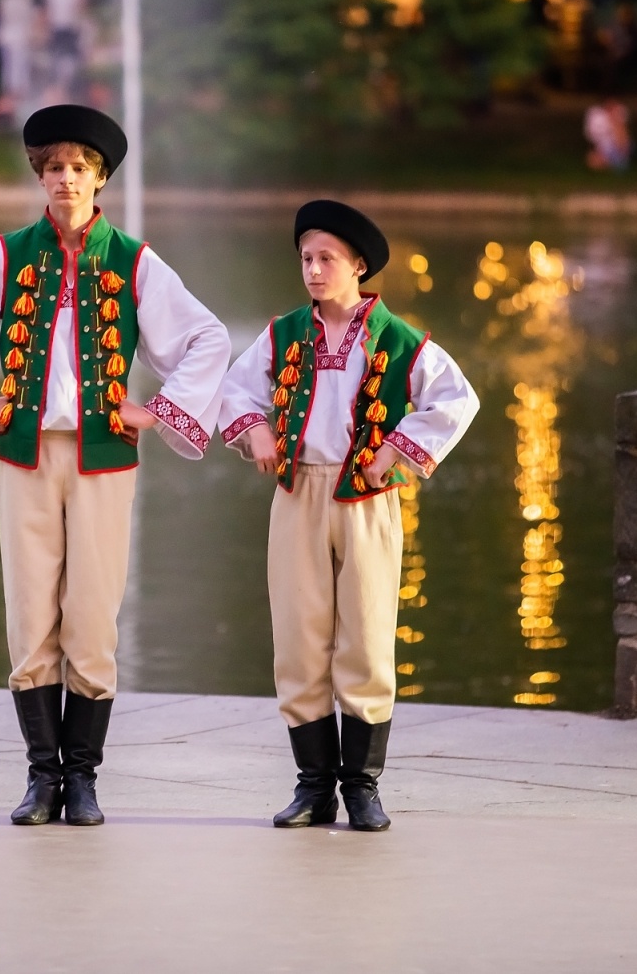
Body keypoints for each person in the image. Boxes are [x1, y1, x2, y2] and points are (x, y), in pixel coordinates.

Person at [0, 105, 231, 827]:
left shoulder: (134, 260)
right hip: (25, 455)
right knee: (30, 616)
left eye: (78, 168)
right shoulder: (11, 254)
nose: (65, 180)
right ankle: (40, 777)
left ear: (99, 178)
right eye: (53, 168)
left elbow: (206, 338)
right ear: (40, 177)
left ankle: (83, 779)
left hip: (102, 459)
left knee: (92, 617)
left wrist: (157, 410)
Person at [217, 200, 479, 832]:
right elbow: (235, 388)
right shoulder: (283, 334)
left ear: (358, 266)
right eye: (306, 258)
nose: (313, 270)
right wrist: (254, 432)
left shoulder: (396, 339)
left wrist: (396, 448)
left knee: (364, 635)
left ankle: (362, 785)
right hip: (298, 493)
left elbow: (456, 397)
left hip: (364, 497)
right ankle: (313, 787)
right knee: (299, 638)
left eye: (326, 259)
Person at [583, 96, 631, 171]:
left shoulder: (619, 112)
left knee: (620, 157)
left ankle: (616, 163)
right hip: (604, 149)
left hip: (617, 147)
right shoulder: (595, 114)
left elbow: (623, 140)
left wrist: (614, 120)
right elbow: (592, 138)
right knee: (591, 160)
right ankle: (614, 163)